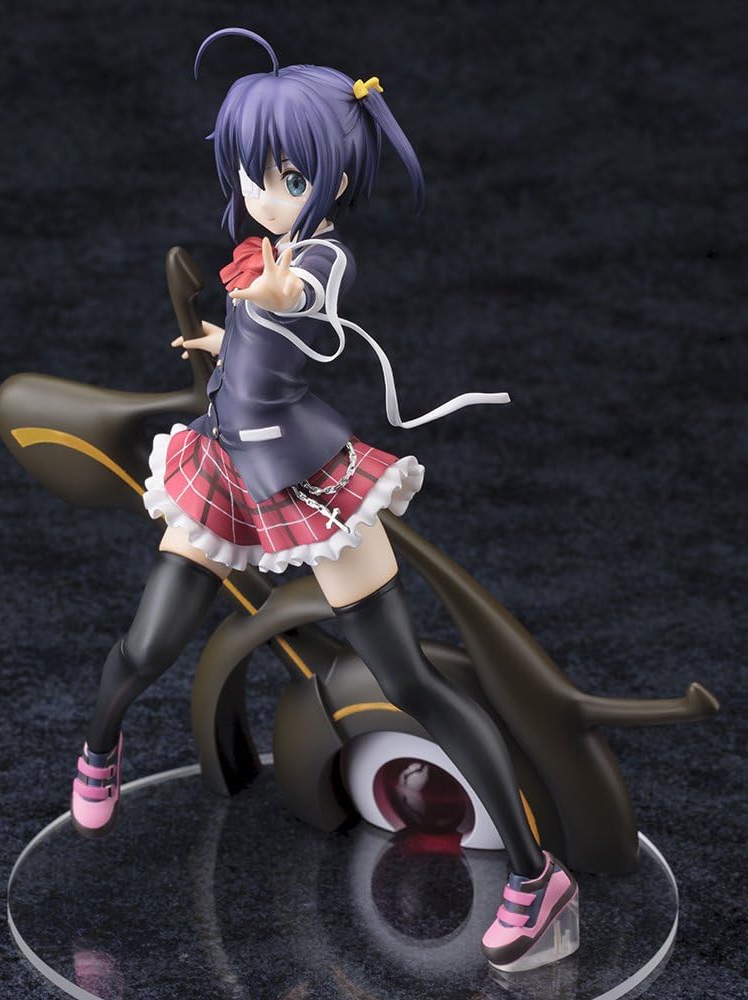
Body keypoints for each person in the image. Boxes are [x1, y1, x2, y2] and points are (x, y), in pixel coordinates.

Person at [70, 27, 578, 972]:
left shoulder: (320, 260)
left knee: (408, 682)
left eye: (291, 177)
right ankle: (99, 749)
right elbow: (264, 331)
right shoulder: (264, 248)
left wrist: (273, 295)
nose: (266, 193)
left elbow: (302, 300)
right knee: (146, 644)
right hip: (223, 473)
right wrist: (225, 343)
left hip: (311, 486)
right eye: (253, 172)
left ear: (334, 180)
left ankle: (533, 873)